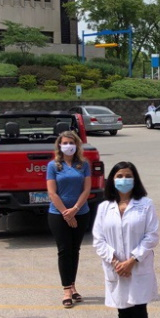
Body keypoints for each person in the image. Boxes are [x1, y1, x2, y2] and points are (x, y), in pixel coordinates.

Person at [92, 162, 160, 318]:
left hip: (138, 266)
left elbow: (152, 236)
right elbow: (98, 239)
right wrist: (115, 262)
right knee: (123, 309)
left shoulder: (145, 204)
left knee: (138, 309)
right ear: (112, 180)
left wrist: (132, 260)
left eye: (128, 175)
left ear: (135, 179)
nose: (123, 179)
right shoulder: (105, 207)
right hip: (115, 268)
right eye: (119, 176)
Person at [46, 130, 92, 308]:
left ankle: (72, 286)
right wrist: (66, 213)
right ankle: (66, 290)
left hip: (81, 212)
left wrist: (75, 209)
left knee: (75, 250)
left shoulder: (83, 165)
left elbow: (86, 189)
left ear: (77, 145)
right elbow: (52, 192)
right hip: (58, 214)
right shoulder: (53, 166)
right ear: (59, 145)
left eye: (71, 143)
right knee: (64, 250)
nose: (68, 146)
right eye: (65, 143)